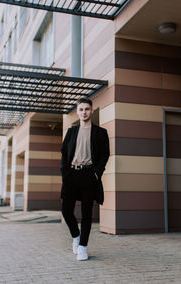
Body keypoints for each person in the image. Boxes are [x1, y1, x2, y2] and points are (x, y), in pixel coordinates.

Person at [61, 97, 110, 261]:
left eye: (87, 109)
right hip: (72, 174)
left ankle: (82, 246)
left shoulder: (100, 132)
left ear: (92, 110)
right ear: (77, 111)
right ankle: (76, 236)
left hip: (89, 175)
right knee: (66, 211)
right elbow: (63, 153)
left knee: (86, 213)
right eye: (81, 109)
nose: (84, 112)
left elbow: (105, 154)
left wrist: (97, 173)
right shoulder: (71, 131)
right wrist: (64, 173)